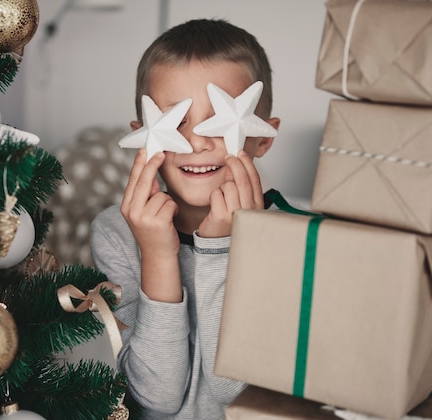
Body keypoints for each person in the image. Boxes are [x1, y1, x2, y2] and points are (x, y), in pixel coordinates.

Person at [90, 18, 281, 419]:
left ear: (262, 137)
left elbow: (237, 395)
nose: (196, 142)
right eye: (175, 120)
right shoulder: (116, 234)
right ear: (142, 135)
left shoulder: (289, 237)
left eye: (220, 120)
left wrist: (224, 250)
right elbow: (156, 397)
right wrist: (157, 256)